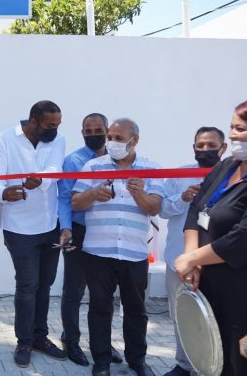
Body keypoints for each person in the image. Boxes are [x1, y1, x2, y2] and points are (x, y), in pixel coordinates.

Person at [72, 118, 164, 376]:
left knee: (136, 310)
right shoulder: (93, 166)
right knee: (99, 308)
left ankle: (137, 360)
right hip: (98, 251)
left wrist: (139, 194)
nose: (111, 142)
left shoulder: (151, 168)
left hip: (134, 252)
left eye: (118, 138)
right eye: (110, 137)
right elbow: (76, 202)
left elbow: (155, 207)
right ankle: (101, 361)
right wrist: (92, 194)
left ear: (134, 140)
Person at [0, 100, 67, 368]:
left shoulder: (57, 140)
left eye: (57, 124)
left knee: (45, 285)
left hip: (50, 224)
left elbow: (55, 170)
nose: (55, 129)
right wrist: (3, 193)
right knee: (27, 285)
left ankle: (40, 337)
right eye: (50, 125)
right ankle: (24, 341)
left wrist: (40, 179)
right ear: (33, 122)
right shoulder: (5, 140)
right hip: (19, 228)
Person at [175, 101, 247, 376]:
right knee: (210, 360)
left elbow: (241, 238)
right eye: (232, 127)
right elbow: (196, 209)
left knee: (236, 362)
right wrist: (193, 260)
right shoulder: (227, 166)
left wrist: (192, 258)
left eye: (241, 129)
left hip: (240, 295)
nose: (232, 135)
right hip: (206, 284)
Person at [57, 113, 123, 367]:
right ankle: (71, 340)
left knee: (103, 292)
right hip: (78, 230)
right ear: (82, 132)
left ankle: (103, 343)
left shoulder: (117, 160)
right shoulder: (73, 161)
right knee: (73, 290)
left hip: (105, 232)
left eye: (98, 130)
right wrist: (65, 228)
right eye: (88, 130)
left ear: (106, 131)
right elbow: (65, 198)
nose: (93, 134)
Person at [159, 126, 226, 376]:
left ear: (223, 148)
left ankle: (215, 367)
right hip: (179, 258)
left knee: (218, 316)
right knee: (183, 314)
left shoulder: (232, 175)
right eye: (200, 146)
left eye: (211, 146)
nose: (205, 150)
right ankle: (184, 365)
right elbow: (162, 210)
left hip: (217, 260)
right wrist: (183, 198)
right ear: (193, 147)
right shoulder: (180, 175)